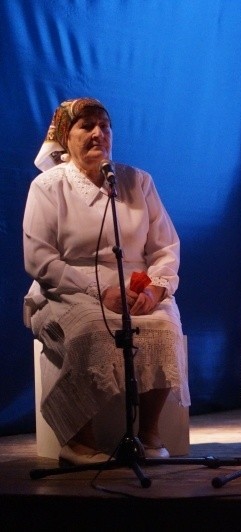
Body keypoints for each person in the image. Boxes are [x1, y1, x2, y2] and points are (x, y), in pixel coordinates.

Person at [23, 98, 189, 465]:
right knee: (93, 331)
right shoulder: (48, 188)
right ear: (66, 136)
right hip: (67, 288)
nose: (99, 133)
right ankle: (77, 438)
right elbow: (40, 259)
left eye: (105, 125)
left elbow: (166, 246)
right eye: (86, 126)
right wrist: (99, 291)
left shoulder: (137, 181)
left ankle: (149, 432)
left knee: (162, 325)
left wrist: (155, 288)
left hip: (136, 290)